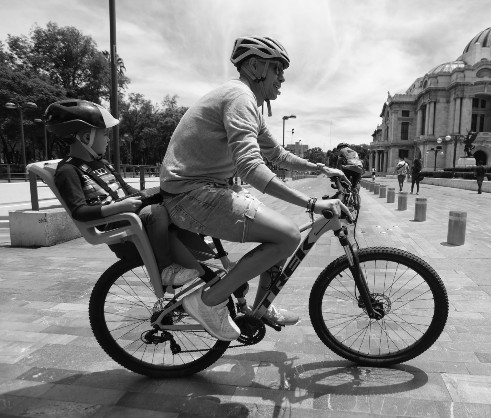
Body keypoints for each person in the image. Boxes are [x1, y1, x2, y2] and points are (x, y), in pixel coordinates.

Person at [160, 36, 351, 341]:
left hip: (202, 190)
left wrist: (320, 168)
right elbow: (250, 167)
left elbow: (277, 155)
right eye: (278, 69)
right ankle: (208, 302)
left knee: (279, 231)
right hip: (191, 195)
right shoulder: (240, 98)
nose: (283, 78)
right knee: (288, 235)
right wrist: (312, 203)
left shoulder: (245, 101)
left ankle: (260, 307)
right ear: (254, 66)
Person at [46, 99, 200, 287]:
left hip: (128, 214)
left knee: (173, 197)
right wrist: (120, 206)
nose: (108, 140)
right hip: (117, 226)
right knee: (156, 213)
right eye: (105, 134)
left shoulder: (103, 164)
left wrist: (155, 195)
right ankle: (166, 269)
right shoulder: (68, 170)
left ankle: (195, 252)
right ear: (87, 138)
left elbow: (128, 191)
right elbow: (79, 211)